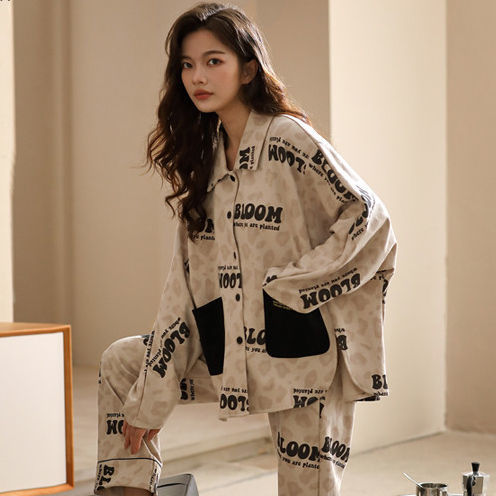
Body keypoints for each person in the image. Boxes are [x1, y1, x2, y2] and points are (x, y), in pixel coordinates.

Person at [94, 2, 397, 496]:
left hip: (304, 356)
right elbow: (184, 284)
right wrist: (153, 392)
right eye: (187, 65)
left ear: (249, 69)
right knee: (123, 364)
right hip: (234, 351)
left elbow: (371, 220)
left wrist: (289, 289)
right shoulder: (206, 161)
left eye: (213, 61)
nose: (198, 77)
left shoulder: (288, 139)